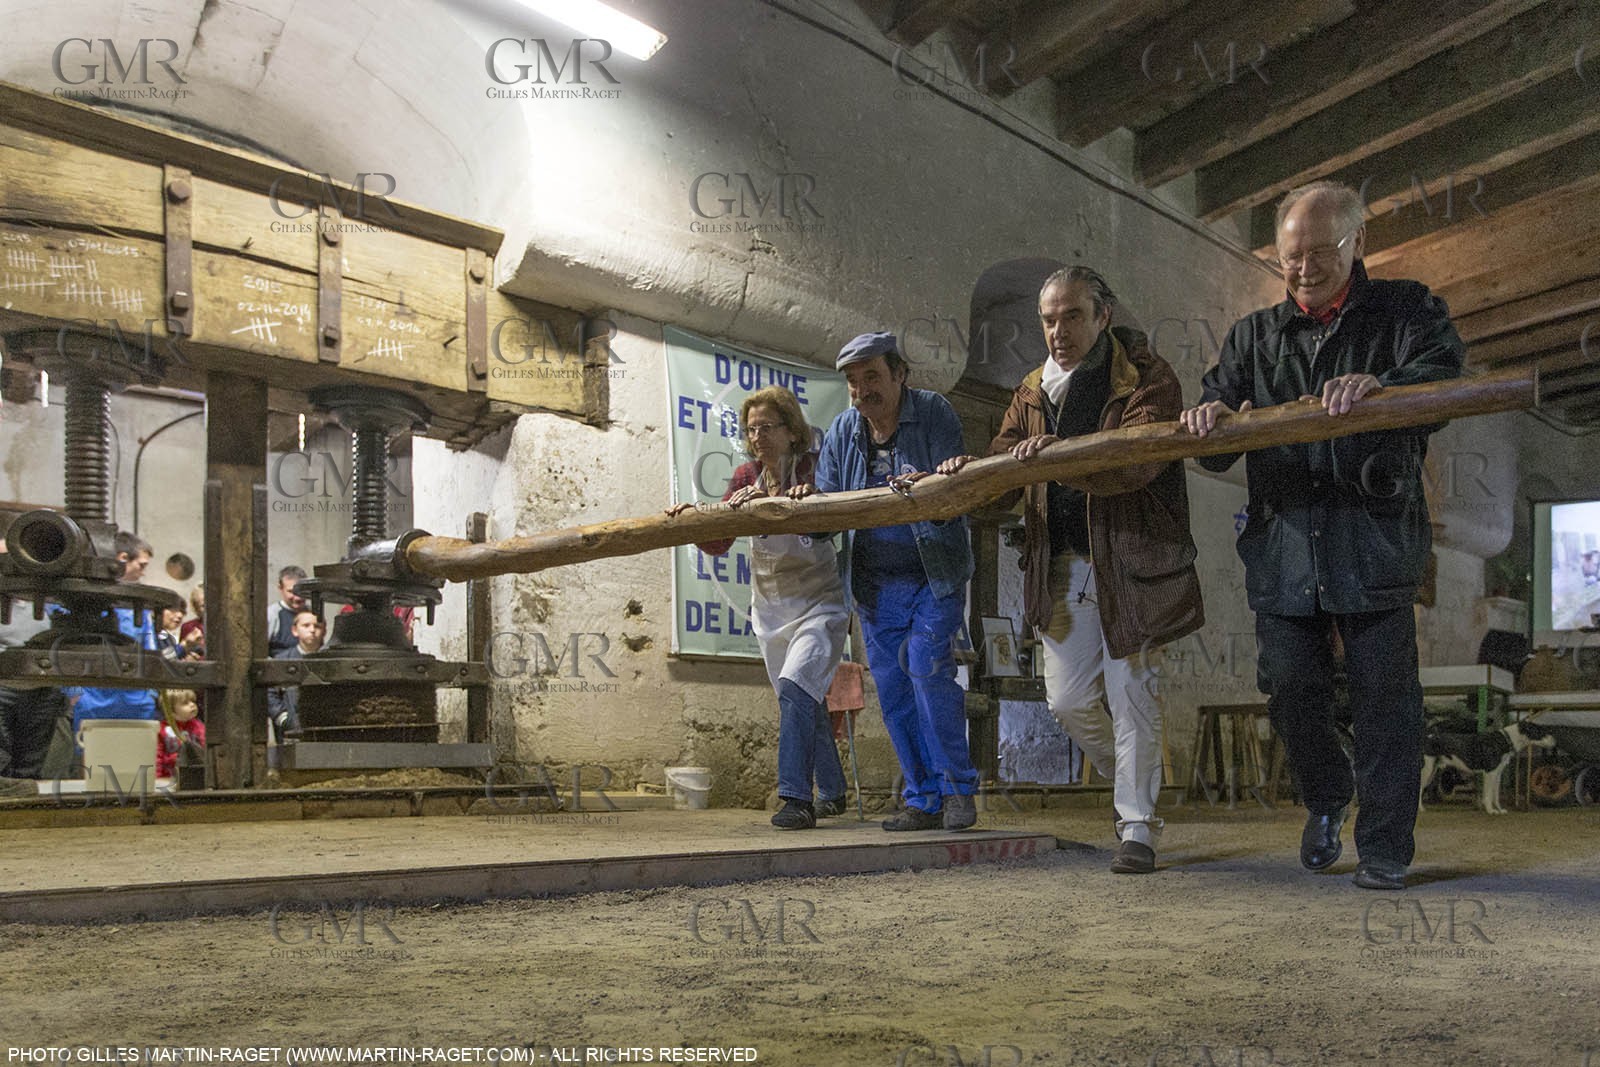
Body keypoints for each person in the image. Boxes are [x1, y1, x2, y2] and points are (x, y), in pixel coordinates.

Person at [1179, 179, 1465, 891]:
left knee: (1385, 701)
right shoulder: (1253, 336)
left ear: (1357, 242)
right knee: (1288, 687)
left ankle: (1385, 847)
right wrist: (1208, 418)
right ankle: (1329, 792)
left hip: (1372, 543)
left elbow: (1444, 375)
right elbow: (1215, 432)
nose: (1303, 268)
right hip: (1284, 544)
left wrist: (1385, 387)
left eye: (1318, 252)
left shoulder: (1406, 310)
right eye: (1289, 256)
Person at [939, 266, 1204, 873]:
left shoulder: (1147, 375)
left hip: (1129, 563)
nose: (1058, 330)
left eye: (1072, 316)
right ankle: (1132, 790)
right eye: (1049, 319)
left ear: (1102, 316)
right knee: (1065, 702)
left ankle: (1137, 826)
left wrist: (1051, 461)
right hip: (1058, 568)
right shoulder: (1031, 389)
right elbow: (1005, 462)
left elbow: (1135, 461)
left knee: (1133, 696)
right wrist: (973, 474)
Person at [792, 332, 979, 831]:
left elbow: (950, 490)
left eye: (871, 377)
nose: (860, 391)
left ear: (900, 374)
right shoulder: (842, 431)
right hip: (875, 587)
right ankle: (923, 800)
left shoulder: (934, 412)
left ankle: (957, 791)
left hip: (933, 577)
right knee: (894, 690)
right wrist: (807, 504)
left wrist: (938, 481)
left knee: (925, 671)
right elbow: (831, 511)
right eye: (853, 382)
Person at [667, 386, 849, 830]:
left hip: (818, 604)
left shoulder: (814, 468)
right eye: (751, 430)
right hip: (770, 611)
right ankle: (835, 790)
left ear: (791, 431)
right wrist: (695, 521)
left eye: (767, 427)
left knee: (795, 688)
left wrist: (808, 503)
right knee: (802, 697)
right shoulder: (746, 476)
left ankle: (795, 798)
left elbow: (834, 526)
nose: (758, 437)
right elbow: (718, 542)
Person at [64, 531, 160, 740]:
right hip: (92, 699)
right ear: (122, 558)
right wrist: (74, 692)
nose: (143, 573)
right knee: (90, 762)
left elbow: (150, 649)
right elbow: (64, 646)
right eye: (141, 565)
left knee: (134, 761)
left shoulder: (139, 608)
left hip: (134, 700)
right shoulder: (79, 602)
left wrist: (151, 694)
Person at [267, 608, 322, 738]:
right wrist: (282, 717)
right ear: (295, 630)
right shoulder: (281, 661)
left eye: (317, 626)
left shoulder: (331, 661)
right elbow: (269, 693)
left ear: (324, 630)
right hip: (288, 734)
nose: (312, 630)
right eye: (306, 625)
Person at [155, 689, 205, 780]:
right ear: (171, 711)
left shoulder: (199, 727)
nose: (192, 704)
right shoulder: (161, 730)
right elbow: (158, 755)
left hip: (194, 777)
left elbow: (205, 750)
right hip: (168, 777)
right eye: (185, 703)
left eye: (193, 701)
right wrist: (157, 777)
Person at [267, 566, 307, 656]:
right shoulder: (272, 615)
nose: (298, 597)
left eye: (301, 591)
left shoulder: (313, 613)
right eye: (291, 592)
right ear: (280, 588)